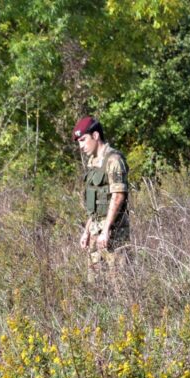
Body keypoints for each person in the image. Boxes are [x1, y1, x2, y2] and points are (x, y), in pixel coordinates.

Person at [72, 116, 130, 283]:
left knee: (119, 285)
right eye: (79, 142)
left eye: (83, 140)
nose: (81, 146)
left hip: (113, 234)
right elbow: (97, 201)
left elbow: (118, 196)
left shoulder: (114, 160)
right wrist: (87, 231)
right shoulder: (92, 162)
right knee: (95, 286)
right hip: (95, 233)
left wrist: (105, 231)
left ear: (95, 136)